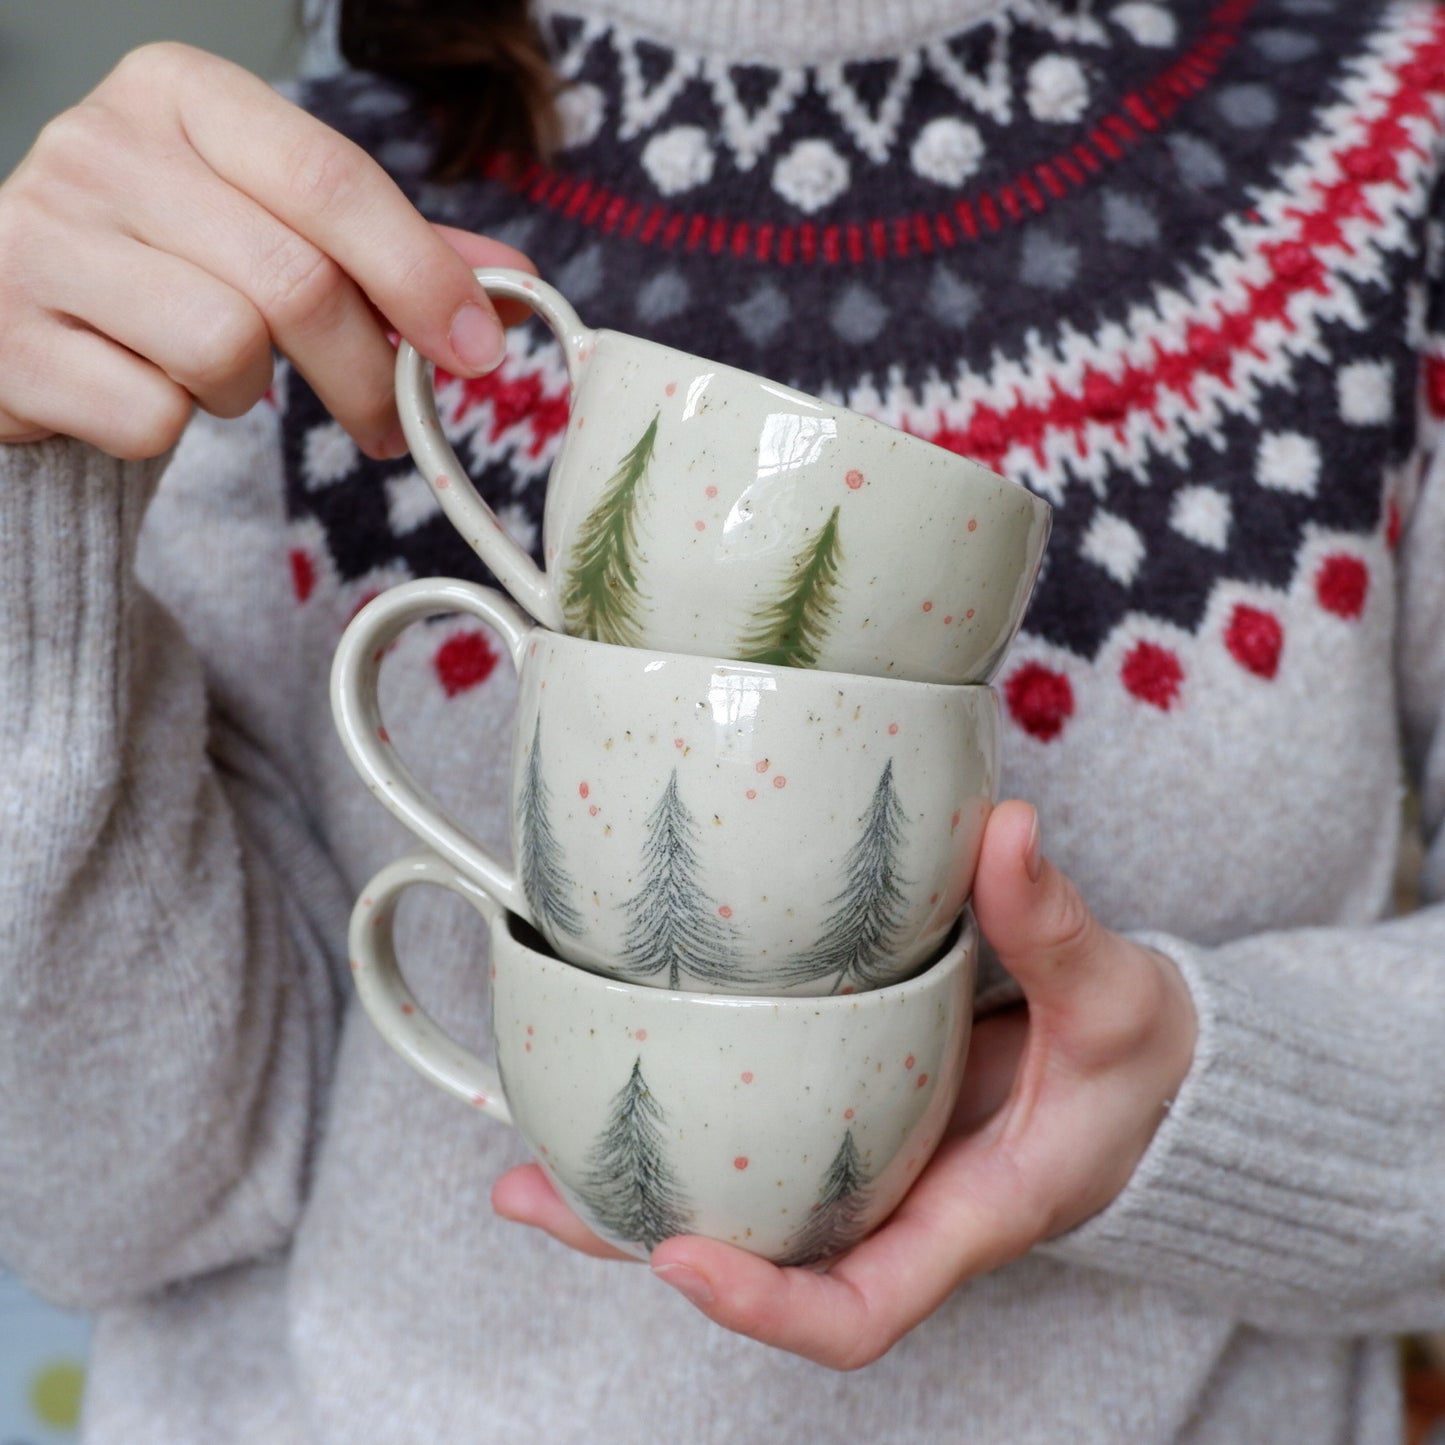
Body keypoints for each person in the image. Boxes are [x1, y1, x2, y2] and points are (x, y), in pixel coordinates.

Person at [0, 0, 1441, 1437]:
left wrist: (1194, 1097)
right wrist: (23, 501)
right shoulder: (292, 220)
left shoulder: (1386, 131)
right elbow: (115, 1204)